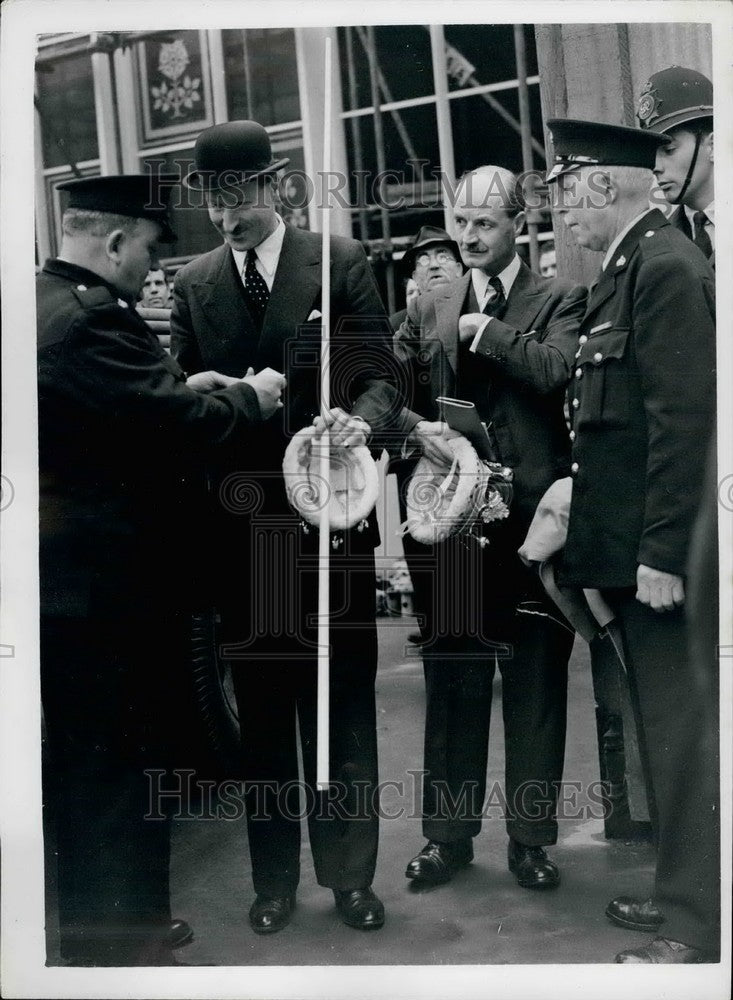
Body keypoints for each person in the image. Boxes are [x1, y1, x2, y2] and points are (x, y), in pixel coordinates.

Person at [38, 173, 286, 965]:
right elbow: (173, 426)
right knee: (119, 771)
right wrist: (250, 394)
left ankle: (102, 927)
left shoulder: (41, 304)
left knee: (84, 773)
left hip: (61, 590)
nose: (152, 269)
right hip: (109, 595)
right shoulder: (91, 321)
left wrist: (183, 382)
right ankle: (126, 944)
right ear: (113, 242)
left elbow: (122, 410)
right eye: (147, 249)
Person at [171, 120, 401, 935]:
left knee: (340, 709)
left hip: (332, 527)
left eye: (237, 197)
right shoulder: (194, 284)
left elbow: (384, 377)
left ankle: (348, 877)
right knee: (264, 715)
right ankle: (274, 881)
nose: (224, 217)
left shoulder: (335, 262)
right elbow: (185, 413)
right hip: (246, 540)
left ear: (275, 187)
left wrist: (356, 427)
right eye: (210, 201)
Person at [547, 117, 718, 963]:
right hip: (630, 555)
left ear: (603, 183)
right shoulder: (627, 269)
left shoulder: (662, 269)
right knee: (663, 733)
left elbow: (680, 425)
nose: (558, 210)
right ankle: (681, 892)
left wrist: (656, 554)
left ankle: (696, 925)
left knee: (685, 740)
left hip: (663, 563)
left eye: (563, 190)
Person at [393, 165, 586, 891]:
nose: (468, 237)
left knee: (536, 679)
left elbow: (557, 372)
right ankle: (446, 839)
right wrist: (419, 432)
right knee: (453, 679)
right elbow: (395, 394)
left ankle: (531, 841)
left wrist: (486, 332)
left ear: (516, 226)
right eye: (461, 222)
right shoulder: (426, 302)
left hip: (533, 527)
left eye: (484, 224)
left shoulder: (559, 296)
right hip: (451, 523)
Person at [388, 226, 464, 645]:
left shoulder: (479, 311)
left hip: (473, 457)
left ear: (461, 266)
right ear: (412, 278)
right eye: (423, 259)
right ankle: (436, 634)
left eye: (443, 256)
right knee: (426, 556)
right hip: (418, 461)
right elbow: (386, 392)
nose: (434, 263)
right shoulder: (398, 326)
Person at [636, 66, 714, 261]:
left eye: (669, 150)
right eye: (651, 154)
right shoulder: (657, 248)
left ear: (714, 146)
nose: (655, 167)